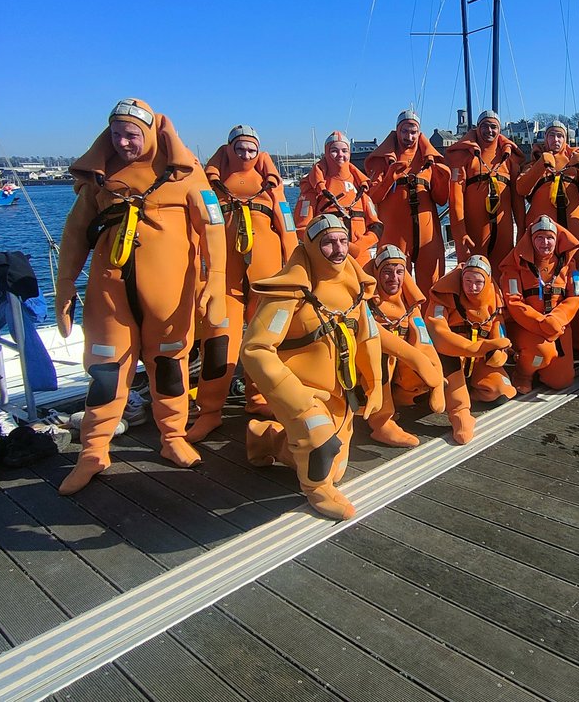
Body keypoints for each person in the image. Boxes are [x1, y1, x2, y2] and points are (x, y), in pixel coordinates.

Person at [54, 99, 227, 495]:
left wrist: (214, 281)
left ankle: (172, 438)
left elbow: (213, 226)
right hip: (110, 295)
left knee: (169, 365)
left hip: (169, 296)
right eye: (116, 134)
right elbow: (76, 232)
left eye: (131, 135)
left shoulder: (185, 172)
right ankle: (93, 450)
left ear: (149, 133)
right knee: (105, 372)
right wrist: (65, 285)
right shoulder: (101, 175)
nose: (123, 142)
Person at [239, 213, 383, 520]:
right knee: (319, 442)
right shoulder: (290, 290)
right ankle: (316, 491)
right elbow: (255, 349)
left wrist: (375, 382)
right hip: (301, 390)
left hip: (339, 393)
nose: (339, 249)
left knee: (337, 466)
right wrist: (296, 398)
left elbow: (368, 335)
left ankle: (265, 437)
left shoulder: (355, 287)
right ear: (312, 246)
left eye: (343, 241)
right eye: (328, 243)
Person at [189, 125, 298, 441]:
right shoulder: (210, 187)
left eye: (251, 150)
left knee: (264, 345)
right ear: (229, 149)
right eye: (240, 149)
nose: (246, 155)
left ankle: (258, 399)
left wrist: (294, 274)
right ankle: (209, 411)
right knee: (218, 344)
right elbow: (197, 231)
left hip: (267, 281)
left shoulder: (271, 187)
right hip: (225, 283)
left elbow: (287, 229)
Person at [426, 255, 516, 444]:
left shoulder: (494, 299)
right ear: (461, 279)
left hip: (478, 359)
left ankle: (470, 389)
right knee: (462, 430)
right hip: (451, 356)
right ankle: (460, 411)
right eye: (468, 281)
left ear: (487, 281)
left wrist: (497, 356)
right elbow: (438, 332)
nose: (473, 287)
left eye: (478, 282)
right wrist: (474, 348)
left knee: (501, 391)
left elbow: (498, 333)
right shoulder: (444, 295)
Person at [364, 245, 446, 447]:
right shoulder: (365, 301)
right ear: (376, 273)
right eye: (387, 271)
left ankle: (402, 399)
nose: (394, 277)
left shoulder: (409, 303)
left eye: (399, 272)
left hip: (399, 366)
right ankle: (382, 423)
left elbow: (423, 338)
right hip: (370, 367)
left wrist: (435, 377)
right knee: (380, 359)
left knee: (425, 364)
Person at [499, 216, 579, 393]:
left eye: (549, 238)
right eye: (539, 237)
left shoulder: (569, 265)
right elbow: (513, 301)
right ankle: (523, 373)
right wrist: (540, 323)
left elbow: (576, 296)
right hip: (526, 327)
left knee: (561, 381)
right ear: (531, 240)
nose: (545, 242)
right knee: (541, 353)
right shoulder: (514, 266)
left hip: (557, 327)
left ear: (556, 239)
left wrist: (557, 318)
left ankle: (540, 365)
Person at [365, 111, 451, 287]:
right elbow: (372, 197)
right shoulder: (382, 160)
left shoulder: (430, 160)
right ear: (397, 131)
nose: (409, 136)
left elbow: (441, 200)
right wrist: (389, 177)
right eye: (405, 131)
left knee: (431, 285)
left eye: (413, 132)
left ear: (419, 132)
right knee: (393, 285)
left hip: (427, 236)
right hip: (394, 233)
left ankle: (427, 316)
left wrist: (444, 180)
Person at [446, 110, 525, 280]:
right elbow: (455, 199)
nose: (489, 131)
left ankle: (501, 306)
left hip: (503, 230)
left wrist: (522, 229)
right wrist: (460, 233)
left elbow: (517, 200)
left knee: (503, 273)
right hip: (474, 233)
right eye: (485, 126)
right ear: (477, 128)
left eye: (493, 127)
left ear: (499, 130)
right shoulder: (464, 157)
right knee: (473, 277)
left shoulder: (509, 158)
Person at [293, 131, 381, 260]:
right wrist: (332, 245)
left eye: (344, 151)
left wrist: (359, 246)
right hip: (328, 259)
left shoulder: (360, 186)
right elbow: (302, 229)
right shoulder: (312, 188)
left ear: (349, 154)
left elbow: (376, 226)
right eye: (334, 150)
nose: (340, 155)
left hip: (360, 258)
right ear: (326, 153)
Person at [517, 120, 579, 240]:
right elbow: (521, 189)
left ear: (565, 139)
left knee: (576, 257)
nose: (556, 139)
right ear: (545, 138)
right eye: (552, 135)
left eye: (560, 136)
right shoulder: (534, 163)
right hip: (541, 229)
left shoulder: (575, 162)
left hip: (572, 227)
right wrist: (540, 165)